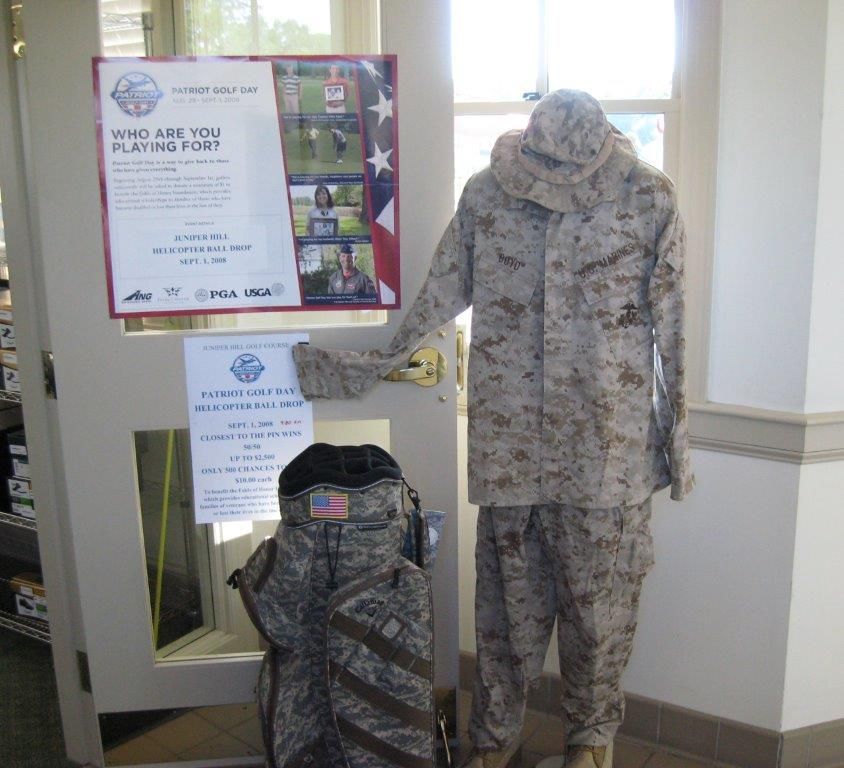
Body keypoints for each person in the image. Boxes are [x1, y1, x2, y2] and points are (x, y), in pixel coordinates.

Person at [292, 90, 693, 768]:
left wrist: (673, 445)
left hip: (606, 460)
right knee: (505, 615)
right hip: (512, 456)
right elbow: (439, 292)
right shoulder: (487, 196)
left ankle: (591, 742)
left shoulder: (648, 198)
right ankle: (493, 742)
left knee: (601, 618)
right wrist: (358, 369)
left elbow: (674, 325)